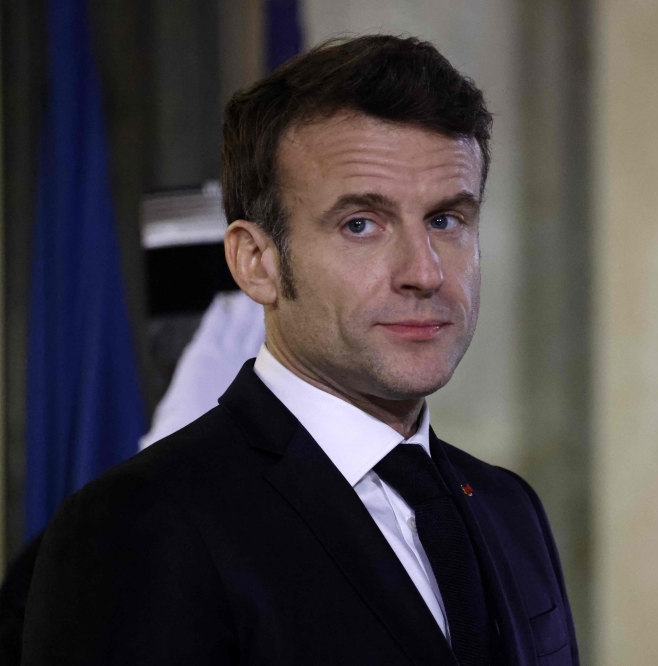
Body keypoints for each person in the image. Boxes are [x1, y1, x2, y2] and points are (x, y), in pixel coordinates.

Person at [22, 35, 578, 665]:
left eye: (445, 220)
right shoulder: (139, 524)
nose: (424, 273)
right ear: (256, 262)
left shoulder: (510, 509)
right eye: (361, 225)